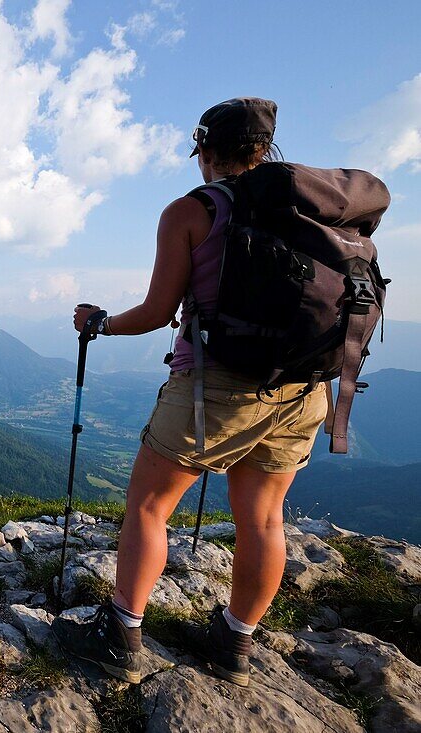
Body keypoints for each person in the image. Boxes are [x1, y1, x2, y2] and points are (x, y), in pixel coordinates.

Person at [66, 98, 328, 687]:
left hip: (218, 388)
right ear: (263, 152)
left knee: (148, 506)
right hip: (305, 387)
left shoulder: (190, 211)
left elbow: (160, 312)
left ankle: (121, 634)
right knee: (263, 521)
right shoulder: (310, 213)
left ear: (206, 152)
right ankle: (235, 644)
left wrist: (100, 323)